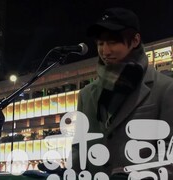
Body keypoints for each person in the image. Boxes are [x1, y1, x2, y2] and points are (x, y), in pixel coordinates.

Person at [72, 7, 173, 179]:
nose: (105, 51)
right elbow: (79, 151)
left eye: (112, 42)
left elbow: (169, 153)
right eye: (100, 43)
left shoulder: (165, 88)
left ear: (135, 40)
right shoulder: (87, 94)